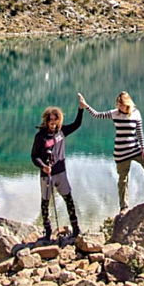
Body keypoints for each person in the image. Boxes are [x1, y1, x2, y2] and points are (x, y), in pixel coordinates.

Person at [78, 91, 144, 211]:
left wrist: (143, 149)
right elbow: (97, 115)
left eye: (121, 104)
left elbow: (139, 132)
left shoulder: (136, 113)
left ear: (128, 103)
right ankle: (124, 207)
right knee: (123, 180)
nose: (119, 106)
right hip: (121, 152)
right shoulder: (114, 113)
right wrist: (86, 106)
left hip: (135, 150)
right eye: (118, 104)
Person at [30, 98, 84, 240]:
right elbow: (34, 156)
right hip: (47, 175)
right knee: (45, 203)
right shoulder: (40, 136)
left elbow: (77, 124)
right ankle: (47, 231)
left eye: (56, 119)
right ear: (46, 120)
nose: (53, 123)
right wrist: (43, 166)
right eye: (51, 120)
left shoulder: (61, 132)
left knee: (69, 199)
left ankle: (76, 228)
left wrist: (81, 108)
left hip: (61, 173)